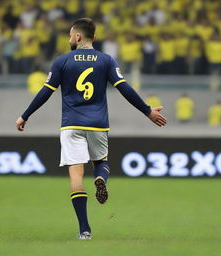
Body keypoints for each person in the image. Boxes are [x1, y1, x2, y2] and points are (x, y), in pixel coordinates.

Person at [16, 18, 167, 240]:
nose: (69, 39)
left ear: (78, 36)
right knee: (102, 162)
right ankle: (101, 180)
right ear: (94, 38)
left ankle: (84, 229)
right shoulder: (106, 60)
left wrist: (25, 115)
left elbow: (45, 92)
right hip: (97, 123)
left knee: (76, 176)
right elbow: (124, 88)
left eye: (70, 35)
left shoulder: (62, 61)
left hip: (71, 124)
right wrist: (147, 111)